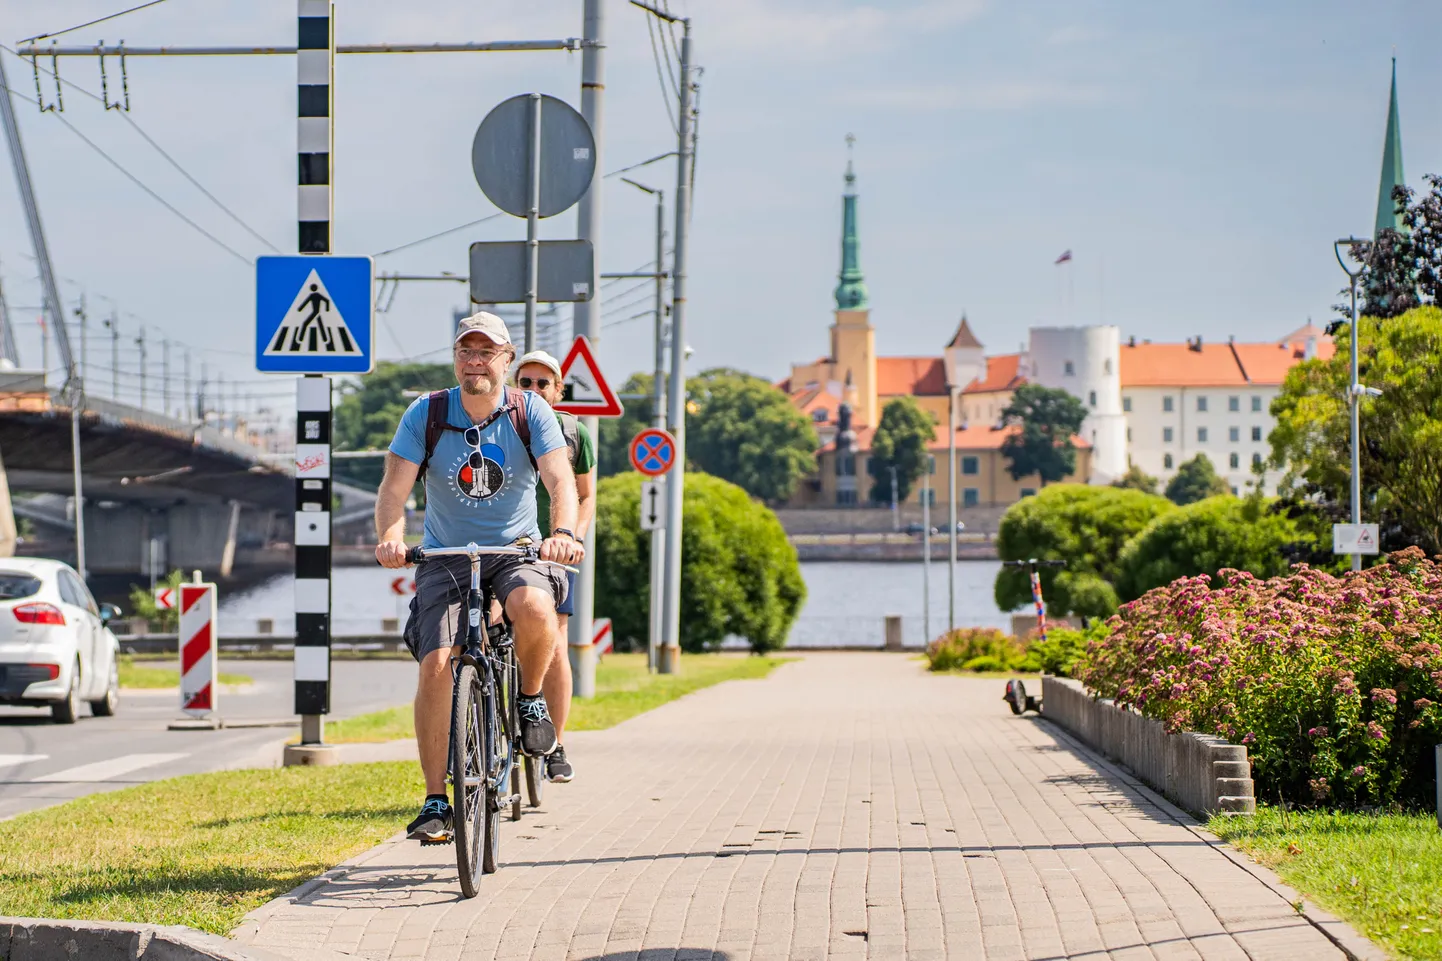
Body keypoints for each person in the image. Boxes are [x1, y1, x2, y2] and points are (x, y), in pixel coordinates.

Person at [375, 311, 584, 844]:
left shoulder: (530, 411)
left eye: (486, 351)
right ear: (456, 359)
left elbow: (560, 479)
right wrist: (391, 539)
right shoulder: (426, 413)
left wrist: (562, 531)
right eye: (466, 351)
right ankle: (435, 799)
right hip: (445, 554)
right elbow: (394, 492)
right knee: (436, 666)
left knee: (537, 610)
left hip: (514, 549)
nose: (476, 361)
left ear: (506, 361)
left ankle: (530, 697)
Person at [513, 349, 597, 784]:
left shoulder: (573, 432)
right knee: (488, 627)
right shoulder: (498, 422)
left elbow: (585, 495)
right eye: (524, 382)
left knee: (556, 644)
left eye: (542, 383)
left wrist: (571, 537)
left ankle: (555, 744)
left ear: (558, 390)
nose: (532, 390)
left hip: (555, 551)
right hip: (505, 546)